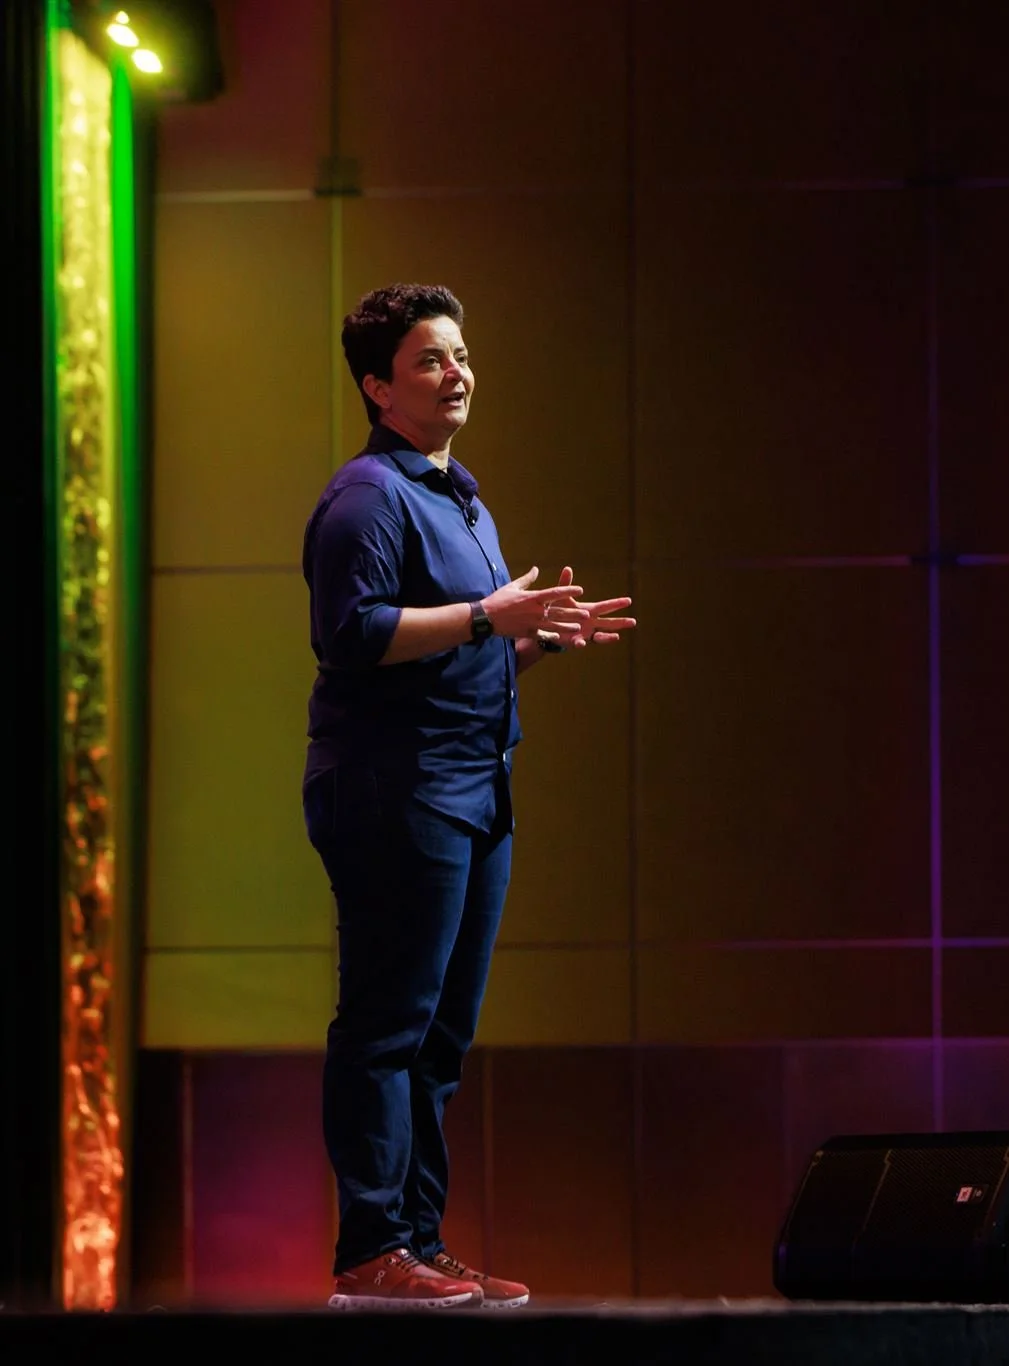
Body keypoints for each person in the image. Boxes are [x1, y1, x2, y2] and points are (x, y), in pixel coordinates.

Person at [302, 283, 636, 1309]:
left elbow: (455, 655)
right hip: (395, 791)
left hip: (471, 788)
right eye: (428, 361)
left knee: (441, 1035)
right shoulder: (367, 495)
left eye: (459, 354)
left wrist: (528, 640)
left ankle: (419, 1240)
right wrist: (486, 615)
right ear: (376, 386)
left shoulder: (462, 497)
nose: (456, 373)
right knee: (387, 1024)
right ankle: (370, 1245)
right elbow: (351, 637)